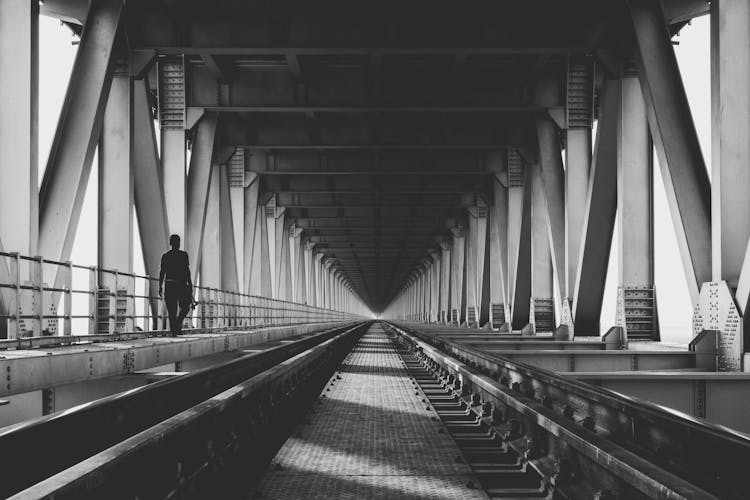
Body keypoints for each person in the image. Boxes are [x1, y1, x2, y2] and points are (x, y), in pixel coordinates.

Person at [159, 234, 193, 337]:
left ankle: (175, 329)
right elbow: (187, 271)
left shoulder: (166, 256)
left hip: (169, 285)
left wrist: (160, 285)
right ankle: (177, 326)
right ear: (178, 243)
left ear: (170, 243)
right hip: (181, 285)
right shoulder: (183, 255)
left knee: (172, 311)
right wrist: (190, 285)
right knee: (185, 307)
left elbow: (162, 272)